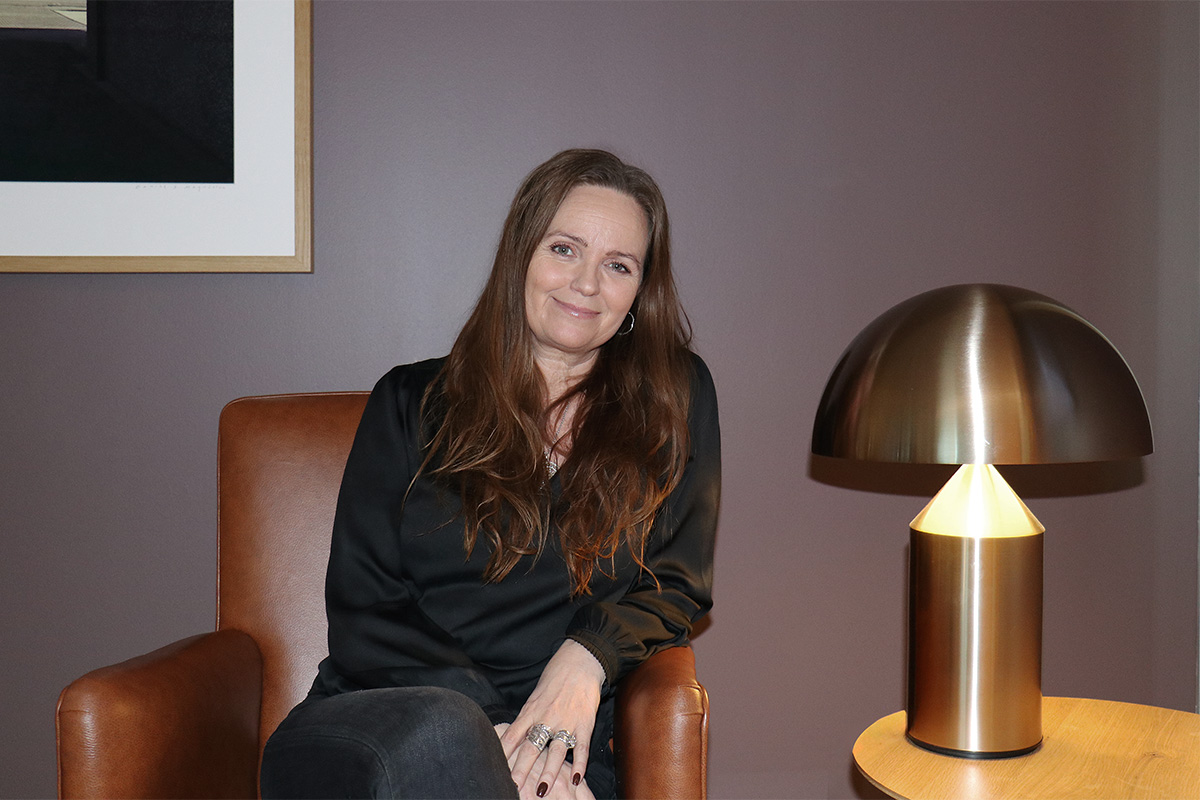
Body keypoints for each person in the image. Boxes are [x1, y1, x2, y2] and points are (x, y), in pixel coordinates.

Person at [260, 149, 721, 800]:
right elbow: (366, 609)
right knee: (447, 732)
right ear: (520, 258)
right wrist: (497, 734)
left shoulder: (673, 400)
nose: (586, 283)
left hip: (557, 745)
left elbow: (677, 582)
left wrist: (585, 660)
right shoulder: (409, 403)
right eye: (564, 249)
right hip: (372, 727)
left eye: (618, 265)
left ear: (638, 295)